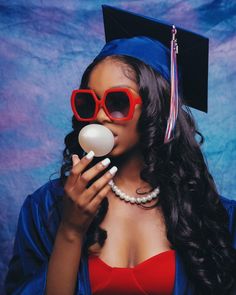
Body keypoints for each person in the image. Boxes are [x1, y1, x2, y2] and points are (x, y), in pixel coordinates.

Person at [5, 5, 236, 295]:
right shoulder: (45, 208)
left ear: (157, 110)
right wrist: (70, 231)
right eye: (88, 103)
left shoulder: (213, 214)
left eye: (117, 102)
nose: (100, 116)